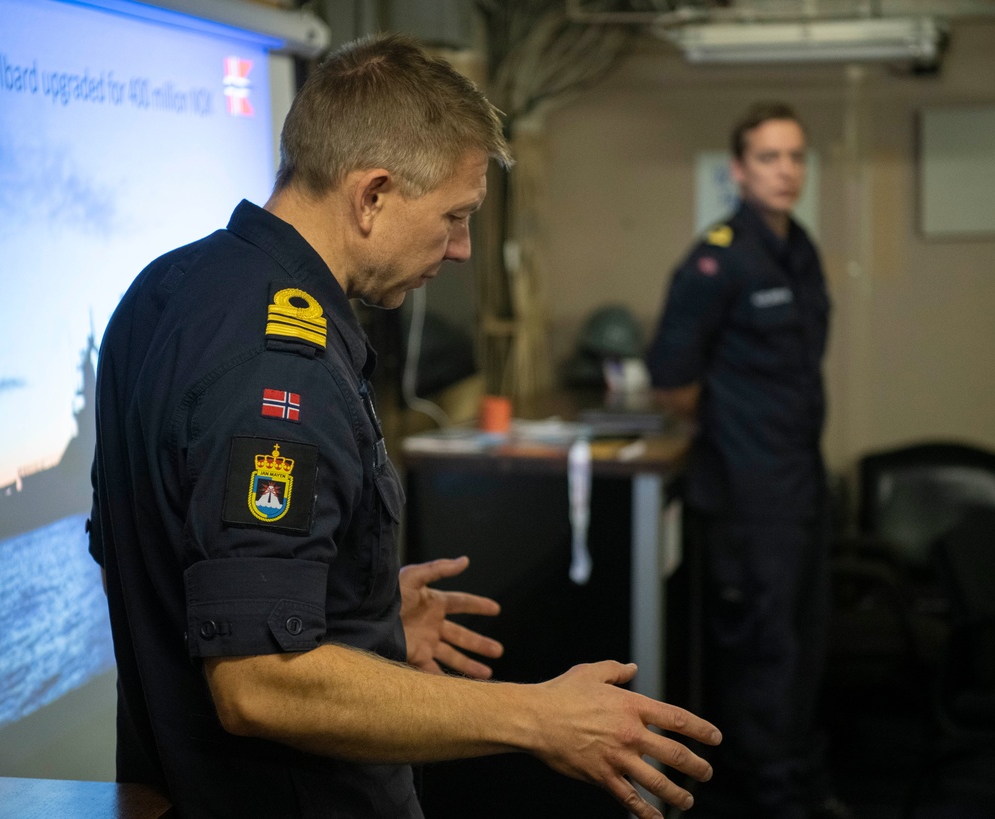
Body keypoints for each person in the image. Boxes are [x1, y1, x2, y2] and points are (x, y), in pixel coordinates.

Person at [88, 33, 721, 819]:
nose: (459, 249)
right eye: (454, 217)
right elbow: (260, 682)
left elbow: (159, 552)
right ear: (372, 195)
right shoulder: (281, 367)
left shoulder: (165, 291)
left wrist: (356, 611)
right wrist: (538, 717)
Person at [646, 103, 848, 819]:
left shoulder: (799, 248)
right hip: (745, 491)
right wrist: (734, 425)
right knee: (763, 656)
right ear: (737, 170)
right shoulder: (717, 257)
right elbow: (670, 376)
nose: (786, 170)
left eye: (795, 156)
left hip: (799, 483)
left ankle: (798, 780)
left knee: (803, 644)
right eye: (769, 157)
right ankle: (770, 799)